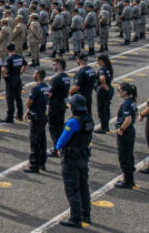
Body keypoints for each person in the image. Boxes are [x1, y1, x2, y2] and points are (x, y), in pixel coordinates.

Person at [55, 94, 94, 228]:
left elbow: (63, 139)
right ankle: (86, 214)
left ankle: (75, 217)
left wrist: (58, 147)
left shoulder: (73, 122)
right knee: (84, 185)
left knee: (72, 187)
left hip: (71, 157)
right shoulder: (89, 119)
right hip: (83, 155)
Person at [113, 82, 138, 189]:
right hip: (130, 131)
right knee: (129, 155)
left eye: (119, 90)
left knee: (124, 156)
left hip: (125, 132)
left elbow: (128, 119)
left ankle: (127, 180)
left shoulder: (126, 104)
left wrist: (121, 129)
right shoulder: (132, 101)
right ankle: (129, 178)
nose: (118, 92)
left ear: (125, 92)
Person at [24, 68, 49, 174]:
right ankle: (42, 162)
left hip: (36, 116)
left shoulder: (36, 88)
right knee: (42, 139)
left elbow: (29, 102)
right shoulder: (46, 87)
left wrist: (28, 108)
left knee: (34, 141)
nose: (33, 75)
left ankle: (34, 165)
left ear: (38, 74)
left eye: (34, 73)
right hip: (43, 114)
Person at [2, 42, 27, 123]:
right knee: (18, 97)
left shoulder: (9, 59)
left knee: (10, 98)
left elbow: (3, 69)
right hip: (18, 78)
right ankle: (20, 115)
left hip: (11, 79)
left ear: (7, 50)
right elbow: (25, 65)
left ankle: (10, 117)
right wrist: (21, 73)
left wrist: (4, 76)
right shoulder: (20, 57)